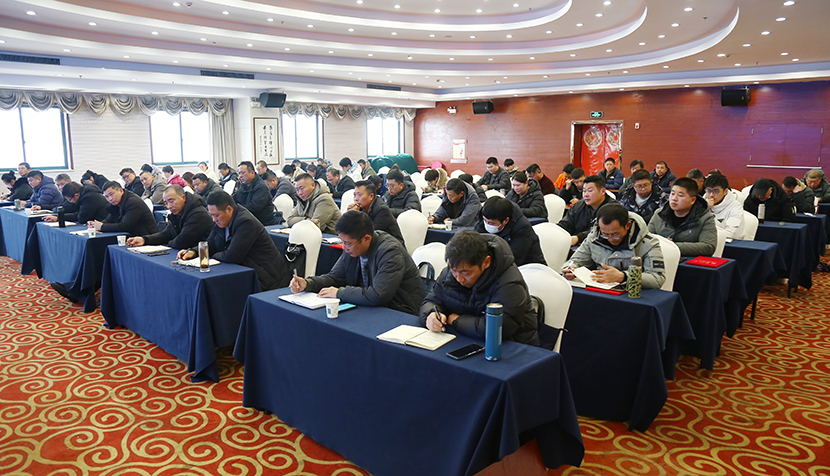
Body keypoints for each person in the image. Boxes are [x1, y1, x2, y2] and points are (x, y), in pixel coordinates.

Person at [290, 210, 425, 314]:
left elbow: (378, 295)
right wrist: (308, 283)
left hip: (401, 311)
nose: (344, 247)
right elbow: (335, 277)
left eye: (348, 243)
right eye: (343, 242)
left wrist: (339, 293)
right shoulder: (353, 248)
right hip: (372, 306)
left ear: (366, 239)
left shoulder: (390, 252)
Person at [420, 230, 539, 346]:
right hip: (465, 338)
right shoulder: (449, 273)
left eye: (466, 273)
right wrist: (431, 315)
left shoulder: (509, 283)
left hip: (510, 346)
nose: (459, 279)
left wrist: (456, 321)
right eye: (454, 270)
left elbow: (498, 328)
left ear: (486, 262)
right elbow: (431, 301)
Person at [178, 191, 291, 291]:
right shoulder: (222, 221)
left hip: (268, 278)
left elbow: (231, 256)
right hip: (248, 272)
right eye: (211, 215)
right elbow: (211, 244)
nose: (214, 219)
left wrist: (211, 255)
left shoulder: (246, 222)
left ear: (229, 209)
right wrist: (194, 251)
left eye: (216, 215)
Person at [565, 203, 666, 289]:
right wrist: (570, 269)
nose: (610, 239)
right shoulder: (594, 237)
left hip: (631, 292)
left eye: (615, 234)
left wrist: (624, 277)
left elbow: (657, 278)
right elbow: (576, 261)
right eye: (605, 234)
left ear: (627, 226)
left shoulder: (649, 244)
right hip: (599, 288)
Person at [127, 185, 213, 250]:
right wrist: (144, 240)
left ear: (183, 198)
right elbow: (166, 234)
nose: (169, 206)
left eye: (171, 201)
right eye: (166, 203)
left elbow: (181, 242)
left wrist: (167, 243)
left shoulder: (198, 214)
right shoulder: (178, 212)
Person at [648, 177, 717, 256]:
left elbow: (708, 247)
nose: (674, 198)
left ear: (692, 200)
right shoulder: (659, 214)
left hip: (688, 261)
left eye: (680, 195)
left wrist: (673, 246)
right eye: (672, 194)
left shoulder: (705, 218)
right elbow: (646, 239)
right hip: (661, 257)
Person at [475, 196, 546, 266]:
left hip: (527, 266)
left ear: (506, 220)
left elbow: (513, 258)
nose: (487, 224)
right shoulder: (483, 219)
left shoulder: (522, 228)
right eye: (485, 220)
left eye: (491, 223)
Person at [558, 175, 616, 246]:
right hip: (576, 245)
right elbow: (565, 224)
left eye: (590, 191)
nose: (586, 195)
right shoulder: (579, 205)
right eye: (584, 191)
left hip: (601, 246)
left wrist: (578, 238)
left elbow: (602, 232)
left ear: (603, 191)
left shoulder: (613, 209)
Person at [88, 181, 159, 236]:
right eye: (106, 197)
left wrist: (102, 227)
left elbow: (125, 226)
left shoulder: (133, 202)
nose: (110, 199)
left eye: (111, 194)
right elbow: (110, 219)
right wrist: (96, 224)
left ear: (121, 191)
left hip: (146, 236)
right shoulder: (116, 202)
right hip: (132, 235)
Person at [703, 173, 746, 240]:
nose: (711, 195)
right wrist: (705, 209)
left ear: (725, 191)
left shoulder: (735, 207)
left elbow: (730, 234)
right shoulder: (702, 204)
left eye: (716, 191)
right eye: (708, 190)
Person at [42, 182, 109, 224]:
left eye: (69, 200)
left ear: (76, 195)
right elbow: (79, 214)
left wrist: (59, 217)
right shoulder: (86, 194)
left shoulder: (89, 198)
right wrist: (58, 217)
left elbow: (82, 218)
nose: (70, 202)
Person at [233, 161, 276, 226]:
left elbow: (253, 208)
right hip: (247, 219)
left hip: (261, 222)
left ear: (252, 172)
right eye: (239, 173)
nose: (240, 176)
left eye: (243, 173)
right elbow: (235, 199)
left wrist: (235, 209)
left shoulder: (261, 187)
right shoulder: (243, 184)